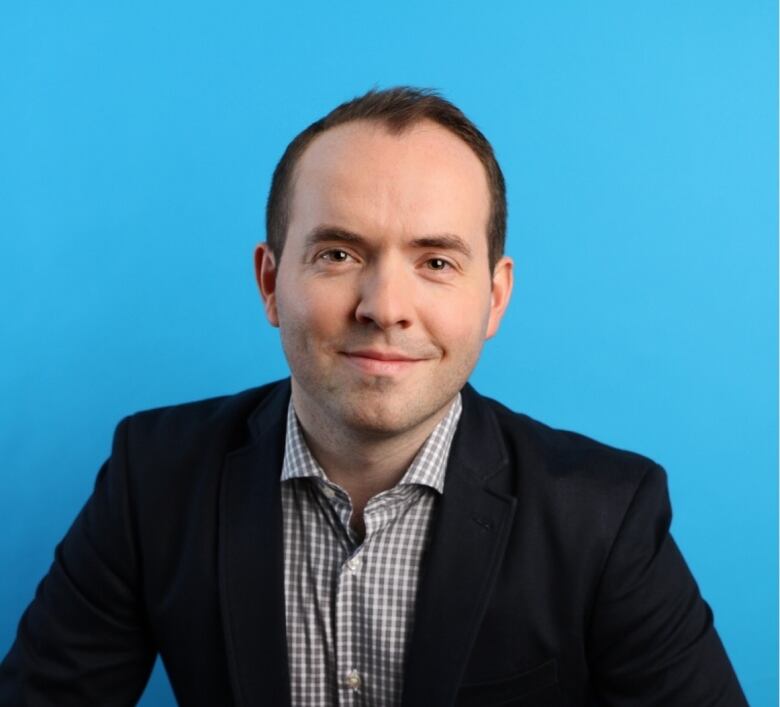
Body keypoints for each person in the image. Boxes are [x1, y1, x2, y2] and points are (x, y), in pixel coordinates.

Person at [0, 87, 746, 707]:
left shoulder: (606, 514)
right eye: (338, 253)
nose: (385, 305)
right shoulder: (152, 477)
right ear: (270, 282)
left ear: (494, 297)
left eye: (436, 260)